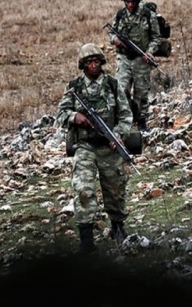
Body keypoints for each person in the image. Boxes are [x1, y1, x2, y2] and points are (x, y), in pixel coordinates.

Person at [56, 43, 134, 253]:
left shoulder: (112, 85)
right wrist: (75, 116)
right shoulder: (74, 88)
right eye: (89, 62)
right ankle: (86, 239)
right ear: (83, 65)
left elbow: (126, 115)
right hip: (85, 147)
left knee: (116, 189)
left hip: (109, 147)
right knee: (83, 189)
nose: (93, 65)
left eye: (96, 61)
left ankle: (118, 227)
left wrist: (117, 135)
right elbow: (60, 115)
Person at [108, 0, 162, 132]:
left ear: (138, 1)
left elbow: (156, 38)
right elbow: (111, 34)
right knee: (121, 89)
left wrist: (150, 52)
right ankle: (124, 119)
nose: (130, 4)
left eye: (133, 1)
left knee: (141, 92)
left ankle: (141, 120)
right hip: (124, 58)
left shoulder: (147, 15)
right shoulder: (120, 16)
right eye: (127, 1)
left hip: (141, 59)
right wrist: (115, 40)